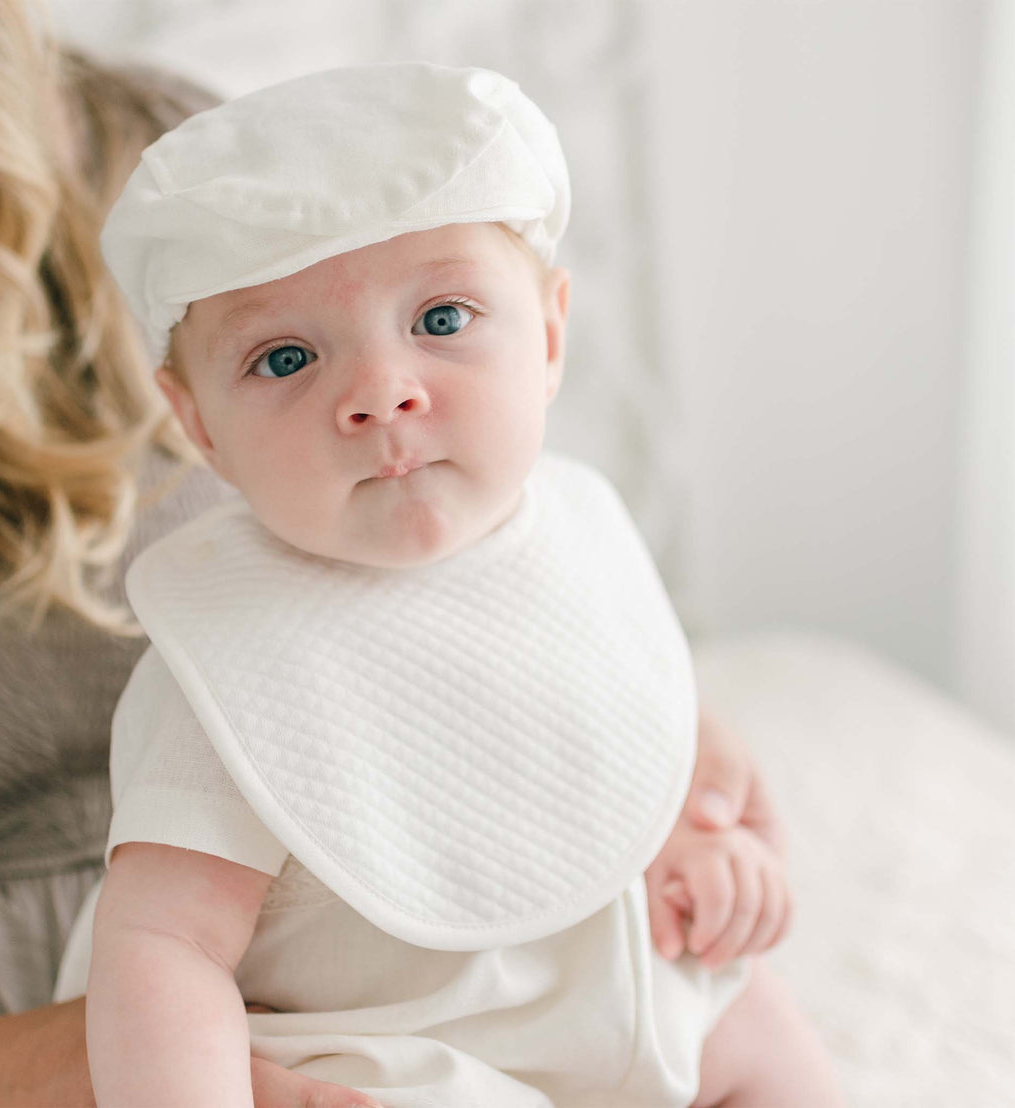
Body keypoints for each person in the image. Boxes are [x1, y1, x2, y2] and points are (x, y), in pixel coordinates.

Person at [65, 64, 845, 1107]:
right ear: (199, 424)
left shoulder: (574, 538)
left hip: (626, 1000)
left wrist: (685, 838)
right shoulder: (226, 662)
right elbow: (163, 946)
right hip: (403, 1052)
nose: (381, 391)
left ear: (553, 335)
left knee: (766, 1037)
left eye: (440, 320)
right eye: (286, 356)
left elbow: (609, 729)